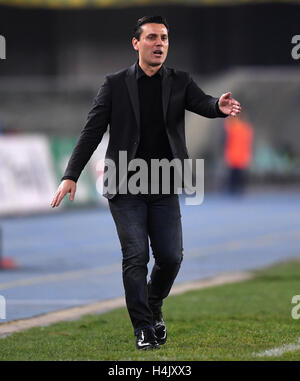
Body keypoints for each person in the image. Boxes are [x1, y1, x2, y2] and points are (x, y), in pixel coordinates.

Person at [50, 15, 241, 350]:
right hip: (125, 185)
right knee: (136, 255)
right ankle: (143, 327)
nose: (160, 44)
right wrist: (70, 175)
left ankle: (153, 305)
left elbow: (203, 103)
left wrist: (218, 107)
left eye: (165, 38)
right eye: (152, 37)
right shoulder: (114, 84)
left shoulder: (180, 81)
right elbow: (91, 132)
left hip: (165, 184)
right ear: (136, 43)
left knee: (170, 257)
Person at [223, 114, 253, 194]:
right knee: (233, 176)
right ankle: (233, 190)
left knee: (238, 176)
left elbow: (247, 144)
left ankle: (237, 190)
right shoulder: (234, 128)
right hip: (233, 155)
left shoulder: (244, 129)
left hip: (240, 156)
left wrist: (247, 155)